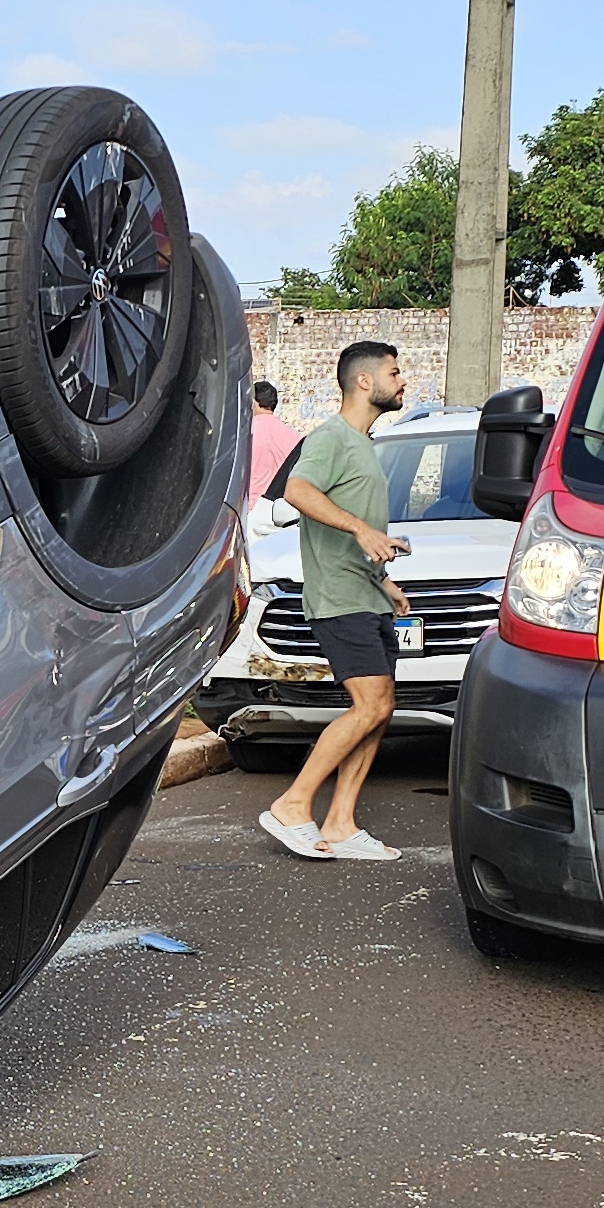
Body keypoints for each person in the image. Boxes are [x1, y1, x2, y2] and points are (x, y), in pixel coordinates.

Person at [262, 338, 412, 863]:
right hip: (337, 599)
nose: (402, 381)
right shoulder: (329, 437)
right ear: (365, 381)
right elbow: (297, 492)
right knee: (369, 704)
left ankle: (341, 823)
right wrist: (359, 530)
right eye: (395, 372)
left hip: (364, 594)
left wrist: (384, 581)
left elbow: (358, 531)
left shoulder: (362, 445)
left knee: (381, 710)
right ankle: (292, 803)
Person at [246, 376, 299, 496]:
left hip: (250, 506)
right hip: (281, 507)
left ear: (253, 403)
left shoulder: (245, 435)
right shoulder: (295, 438)